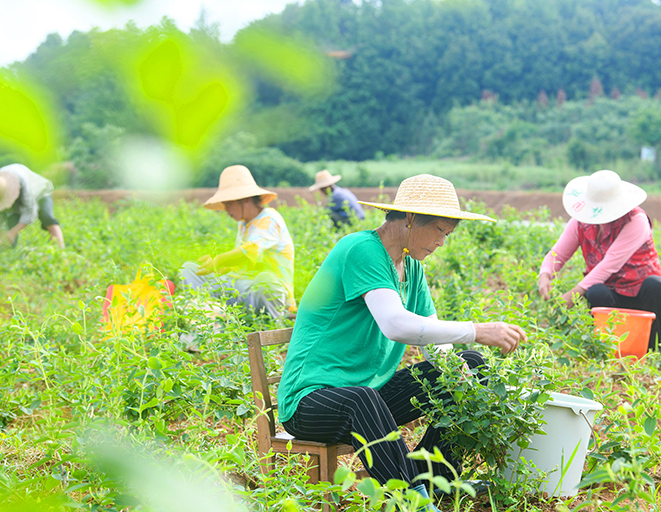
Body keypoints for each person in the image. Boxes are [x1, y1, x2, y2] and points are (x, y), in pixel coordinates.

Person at [278, 174, 526, 510]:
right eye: (440, 231)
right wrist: (477, 329)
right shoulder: (362, 250)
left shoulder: (410, 266)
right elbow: (394, 324)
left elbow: (433, 338)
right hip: (312, 402)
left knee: (470, 363)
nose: (442, 242)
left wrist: (458, 374)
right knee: (361, 400)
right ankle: (412, 501)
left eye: (447, 235)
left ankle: (437, 478)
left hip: (371, 398)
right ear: (409, 218)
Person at [538, 169, 661, 351]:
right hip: (611, 294)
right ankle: (606, 348)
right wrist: (545, 275)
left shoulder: (636, 221)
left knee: (655, 285)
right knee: (595, 292)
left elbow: (610, 264)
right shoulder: (581, 222)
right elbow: (558, 254)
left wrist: (573, 295)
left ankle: (652, 349)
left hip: (640, 293)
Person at [181, 165, 295, 318]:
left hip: (268, 293)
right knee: (189, 270)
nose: (226, 210)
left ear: (245, 199)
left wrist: (218, 260)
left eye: (228, 204)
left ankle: (274, 324)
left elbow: (250, 251)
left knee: (265, 280)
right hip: (243, 289)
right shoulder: (243, 224)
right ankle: (205, 321)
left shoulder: (270, 219)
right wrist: (222, 269)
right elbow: (243, 263)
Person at [0, 163, 64, 248]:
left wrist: (12, 232)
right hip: (9, 194)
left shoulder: (24, 183)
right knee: (12, 222)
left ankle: (59, 250)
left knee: (47, 217)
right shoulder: (2, 186)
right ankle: (10, 252)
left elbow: (30, 212)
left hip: (41, 192)